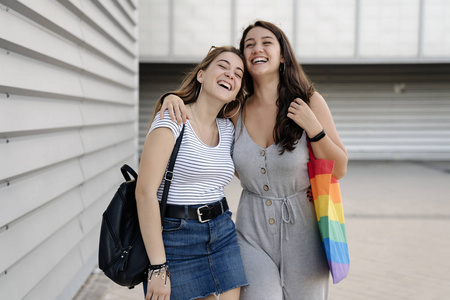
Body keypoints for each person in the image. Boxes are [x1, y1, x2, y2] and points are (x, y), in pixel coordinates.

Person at [161, 21, 348, 300]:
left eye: (266, 42)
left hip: (305, 233)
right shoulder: (235, 109)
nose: (256, 49)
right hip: (252, 233)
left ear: (282, 55)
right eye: (249, 44)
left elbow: (340, 169)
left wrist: (314, 128)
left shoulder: (310, 101)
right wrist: (171, 98)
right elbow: (202, 104)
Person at [135, 46, 248, 300]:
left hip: (222, 232)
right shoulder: (171, 120)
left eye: (238, 73)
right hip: (176, 238)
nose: (230, 74)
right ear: (201, 75)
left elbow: (252, 171)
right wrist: (157, 267)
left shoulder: (229, 128)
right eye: (222, 66)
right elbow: (144, 193)